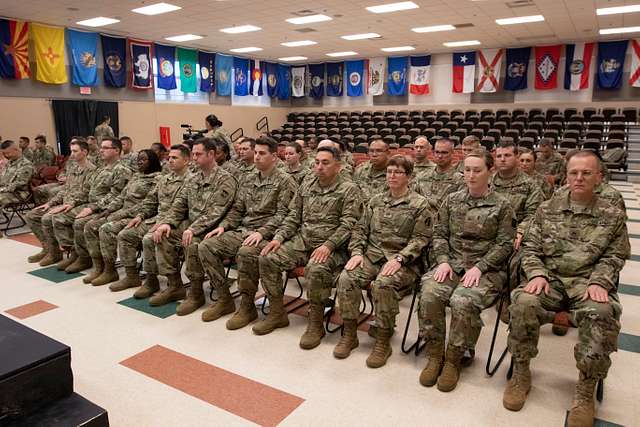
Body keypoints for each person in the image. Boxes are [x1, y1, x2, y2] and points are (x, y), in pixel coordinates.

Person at [503, 151, 630, 427]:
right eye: (574, 173)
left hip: (587, 283)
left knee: (602, 311)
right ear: (566, 176)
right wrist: (535, 273)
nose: (579, 178)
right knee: (524, 302)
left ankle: (585, 389)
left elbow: (615, 255)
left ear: (599, 177)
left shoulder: (612, 214)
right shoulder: (547, 209)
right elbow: (531, 248)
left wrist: (601, 280)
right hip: (549, 279)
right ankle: (521, 372)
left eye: (586, 173)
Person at [418, 149, 515, 392]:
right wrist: (442, 260)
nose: (471, 175)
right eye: (467, 170)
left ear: (490, 171)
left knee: (463, 300)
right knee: (430, 293)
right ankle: (435, 354)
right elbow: (439, 234)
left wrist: (481, 267)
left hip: (487, 270)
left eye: (477, 170)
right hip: (451, 263)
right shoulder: (452, 200)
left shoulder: (503, 205)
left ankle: (454, 358)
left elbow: (504, 244)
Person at [334, 155, 437, 367]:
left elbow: (421, 239)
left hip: (404, 262)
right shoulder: (375, 201)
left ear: (409, 176)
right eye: (389, 172)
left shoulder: (420, 204)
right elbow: (360, 230)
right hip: (372, 256)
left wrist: (400, 258)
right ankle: (350, 333)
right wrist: (356, 253)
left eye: (398, 172)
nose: (391, 176)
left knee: (383, 284)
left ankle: (383, 340)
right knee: (346, 278)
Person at [255, 146, 361, 349]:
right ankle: (277, 313)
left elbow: (349, 224)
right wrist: (279, 237)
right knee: (267, 257)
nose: (319, 167)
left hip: (334, 247)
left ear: (338, 166)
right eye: (317, 162)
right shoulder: (307, 183)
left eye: (325, 163)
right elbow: (294, 215)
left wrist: (328, 245)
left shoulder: (349, 189)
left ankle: (316, 323)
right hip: (302, 242)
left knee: (316, 267)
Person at [198, 136, 297, 326]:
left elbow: (284, 215)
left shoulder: (285, 181)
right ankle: (224, 299)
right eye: (256, 153)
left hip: (269, 235)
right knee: (206, 246)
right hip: (244, 230)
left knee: (246, 253)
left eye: (262, 153)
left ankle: (248, 305)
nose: (257, 157)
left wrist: (262, 232)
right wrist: (224, 226)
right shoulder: (249, 178)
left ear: (274, 157)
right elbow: (237, 209)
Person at [149, 138, 237, 316]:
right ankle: (175, 286)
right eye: (193, 154)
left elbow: (216, 211)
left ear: (211, 154)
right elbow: (180, 205)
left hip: (214, 229)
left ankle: (199, 294)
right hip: (193, 227)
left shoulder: (225, 179)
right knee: (163, 235)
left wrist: (192, 229)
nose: (194, 158)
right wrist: (167, 223)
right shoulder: (194, 178)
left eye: (198, 154)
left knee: (192, 243)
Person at [116, 144, 191, 300]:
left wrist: (165, 223)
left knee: (151, 238)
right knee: (126, 234)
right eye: (169, 157)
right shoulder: (165, 179)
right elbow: (151, 201)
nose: (170, 160)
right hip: (160, 219)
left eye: (175, 158)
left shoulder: (192, 180)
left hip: (182, 221)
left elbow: (183, 209)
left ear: (186, 160)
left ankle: (175, 285)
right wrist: (141, 216)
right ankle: (144, 279)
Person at [83, 150, 162, 288]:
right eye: (138, 159)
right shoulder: (136, 176)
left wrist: (122, 214)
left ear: (153, 162)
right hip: (123, 212)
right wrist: (108, 210)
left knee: (106, 229)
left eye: (143, 159)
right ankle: (102, 268)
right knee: (91, 225)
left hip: (138, 216)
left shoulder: (157, 179)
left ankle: (127, 275)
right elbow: (121, 197)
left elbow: (149, 204)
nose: (139, 162)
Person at [56, 137, 132, 273]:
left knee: (81, 223)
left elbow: (116, 195)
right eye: (101, 147)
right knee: (62, 216)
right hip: (93, 204)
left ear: (116, 150)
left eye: (105, 148)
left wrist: (92, 208)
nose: (101, 150)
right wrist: (74, 203)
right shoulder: (103, 168)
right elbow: (87, 190)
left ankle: (97, 264)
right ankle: (79, 255)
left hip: (107, 209)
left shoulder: (121, 170)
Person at [25, 140, 96, 265]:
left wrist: (68, 204)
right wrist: (50, 203)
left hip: (80, 204)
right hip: (66, 202)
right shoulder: (73, 167)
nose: (72, 154)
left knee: (48, 218)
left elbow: (86, 193)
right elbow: (65, 190)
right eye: (71, 151)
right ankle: (50, 249)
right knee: (32, 215)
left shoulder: (91, 170)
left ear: (84, 152)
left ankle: (75, 253)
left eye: (75, 151)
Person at [491, 141, 544, 252]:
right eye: (499, 156)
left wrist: (521, 231)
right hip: (487, 235)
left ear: (516, 157)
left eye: (507, 155)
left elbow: (533, 214)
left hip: (514, 237)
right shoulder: (487, 182)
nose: (502, 159)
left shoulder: (530, 185)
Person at [414, 138, 464, 207]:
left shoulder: (460, 180)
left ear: (453, 153)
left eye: (444, 152)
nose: (440, 156)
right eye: (437, 152)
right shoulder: (421, 176)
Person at [0, 140, 35, 220]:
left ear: (16, 150)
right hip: (6, 191)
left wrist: (1, 189)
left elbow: (19, 184)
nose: (6, 156)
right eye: (4, 153)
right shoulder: (10, 162)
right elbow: (3, 178)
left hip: (18, 193)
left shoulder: (26, 164)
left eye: (8, 153)